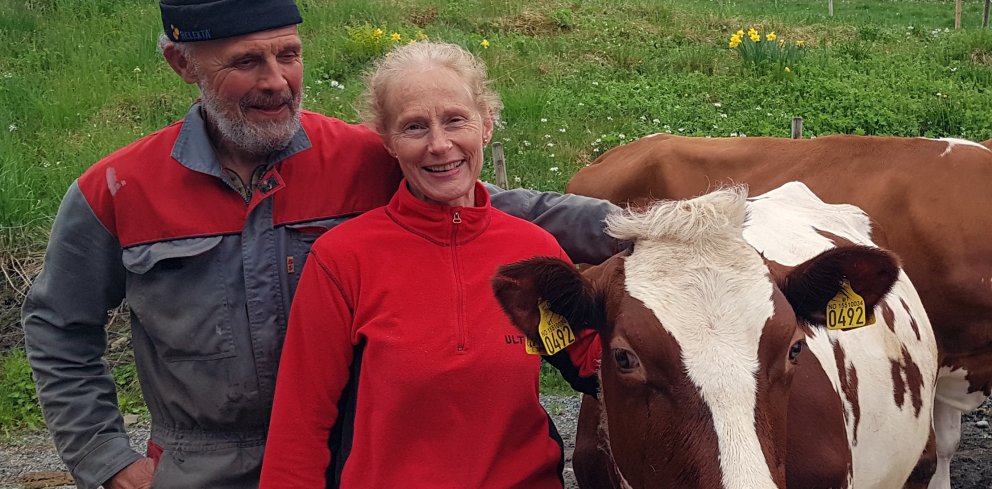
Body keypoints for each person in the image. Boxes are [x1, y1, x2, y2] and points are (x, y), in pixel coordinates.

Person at [21, 1, 619, 488]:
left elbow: (484, 212)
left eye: (289, 54)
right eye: (246, 61)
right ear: (184, 64)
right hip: (198, 467)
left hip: (347, 453)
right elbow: (58, 326)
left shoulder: (363, 158)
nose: (276, 81)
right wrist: (108, 459)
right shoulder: (117, 190)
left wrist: (662, 228)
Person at [259, 41, 598, 488]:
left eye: (456, 120)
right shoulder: (343, 258)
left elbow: (595, 363)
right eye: (415, 127)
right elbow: (300, 427)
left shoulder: (532, 250)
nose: (440, 145)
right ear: (388, 142)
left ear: (486, 125)